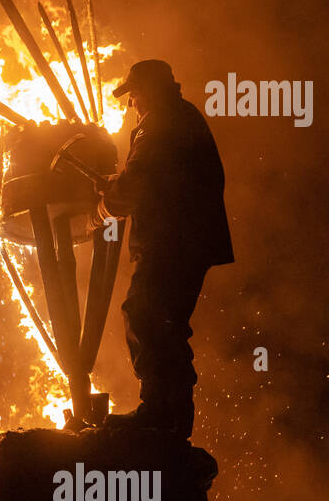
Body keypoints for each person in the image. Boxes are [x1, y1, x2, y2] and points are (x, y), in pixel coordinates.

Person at [91, 59, 234, 439]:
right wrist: (118, 183)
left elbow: (140, 181)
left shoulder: (159, 123)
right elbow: (153, 177)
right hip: (185, 241)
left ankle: (159, 414)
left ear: (148, 91)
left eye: (133, 94)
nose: (130, 103)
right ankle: (169, 418)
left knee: (145, 315)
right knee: (162, 322)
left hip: (172, 242)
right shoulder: (179, 117)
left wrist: (105, 207)